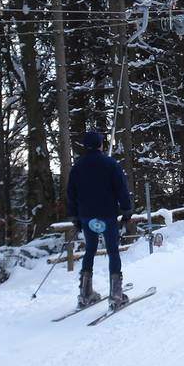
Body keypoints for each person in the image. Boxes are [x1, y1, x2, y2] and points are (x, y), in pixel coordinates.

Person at [67, 131, 133, 309]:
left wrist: (75, 216)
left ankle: (85, 292)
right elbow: (121, 188)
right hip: (107, 214)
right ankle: (116, 295)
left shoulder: (77, 167)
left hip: (86, 216)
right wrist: (126, 210)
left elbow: (71, 193)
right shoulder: (110, 164)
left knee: (90, 249)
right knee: (113, 251)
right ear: (100, 145)